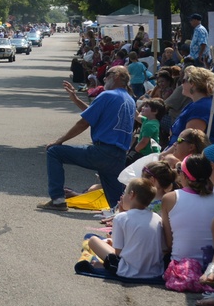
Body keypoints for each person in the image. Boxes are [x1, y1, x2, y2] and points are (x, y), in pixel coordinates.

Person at [38, 66, 136, 211]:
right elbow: (94, 114)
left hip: (102, 151)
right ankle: (126, 216)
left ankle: (58, 200)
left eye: (107, 75)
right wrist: (76, 100)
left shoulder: (107, 95)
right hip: (119, 156)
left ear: (116, 76)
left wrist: (60, 140)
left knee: (54, 152)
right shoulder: (129, 100)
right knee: (117, 203)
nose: (104, 78)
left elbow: (84, 122)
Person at [86, 177, 164, 279]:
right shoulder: (157, 218)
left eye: (125, 192)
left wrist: (113, 241)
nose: (122, 196)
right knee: (109, 241)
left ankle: (102, 266)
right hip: (155, 271)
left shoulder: (120, 218)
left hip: (128, 271)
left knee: (93, 240)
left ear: (132, 194)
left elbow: (118, 253)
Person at [161, 154, 214, 292]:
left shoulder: (170, 198)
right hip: (212, 271)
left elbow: (169, 244)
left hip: (180, 269)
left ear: (184, 176)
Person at [168, 66, 214, 146]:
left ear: (192, 84)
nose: (181, 84)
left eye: (183, 81)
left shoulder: (201, 108)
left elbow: (187, 141)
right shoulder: (196, 104)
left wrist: (165, 154)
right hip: (178, 150)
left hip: (186, 155)